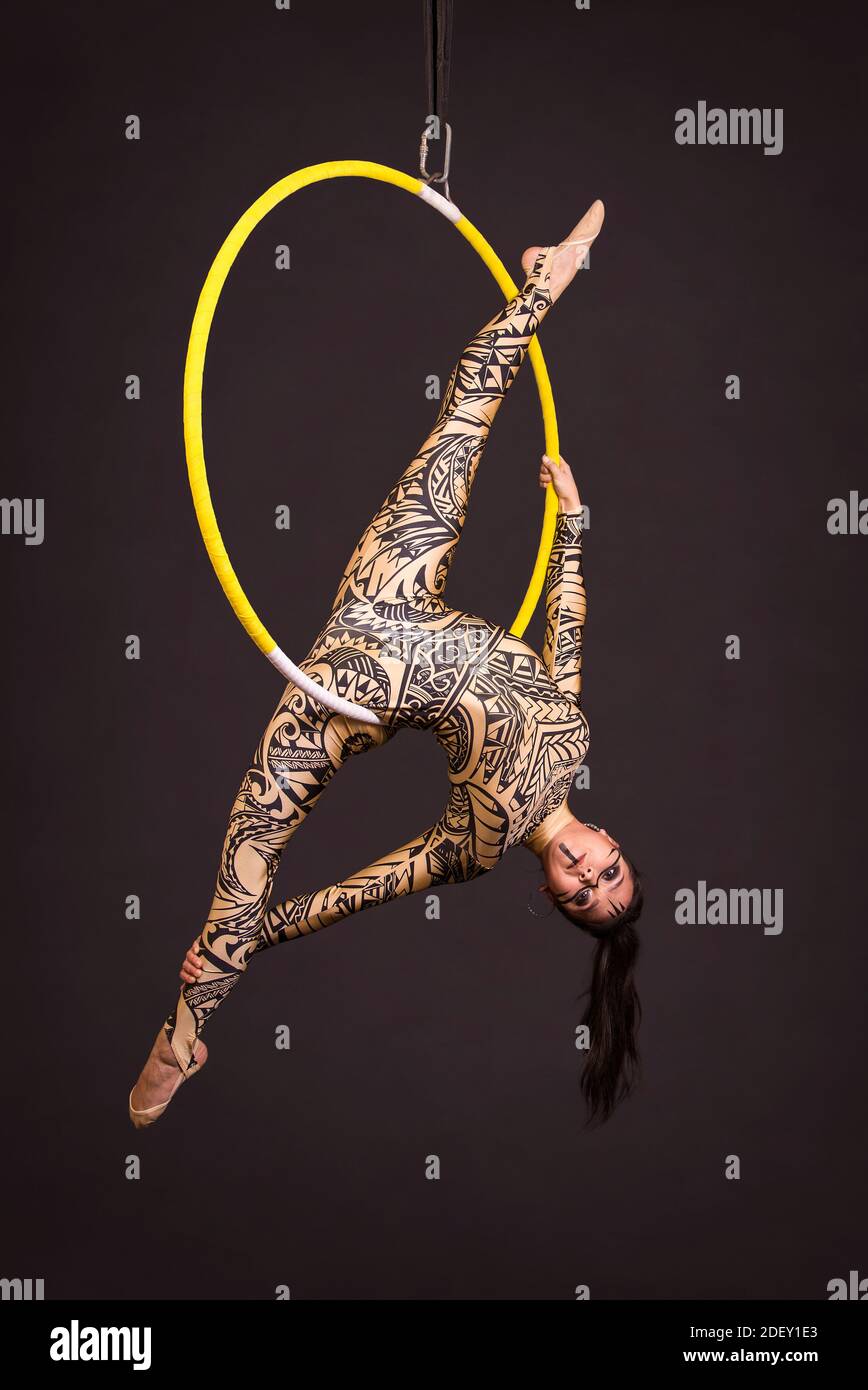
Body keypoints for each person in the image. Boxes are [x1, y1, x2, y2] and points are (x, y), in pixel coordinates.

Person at [129, 199, 644, 1130]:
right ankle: (547, 276)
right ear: (609, 840)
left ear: (552, 895)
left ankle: (181, 1038)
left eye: (582, 895)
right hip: (396, 591)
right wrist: (569, 526)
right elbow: (566, 631)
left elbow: (357, 890)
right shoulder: (575, 738)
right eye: (611, 871)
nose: (588, 875)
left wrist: (249, 940)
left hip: (355, 697)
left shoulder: (477, 852)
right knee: (473, 395)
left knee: (252, 842)